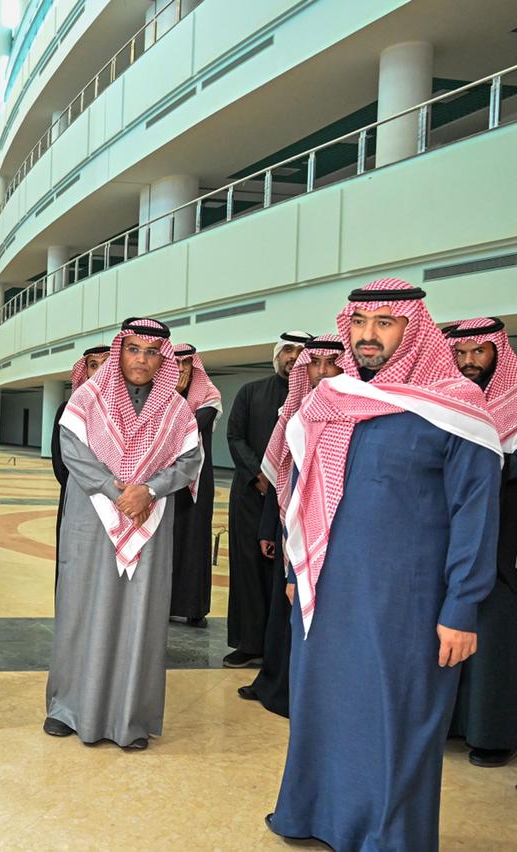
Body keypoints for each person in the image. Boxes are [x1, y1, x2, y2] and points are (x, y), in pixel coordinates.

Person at [267, 280, 500, 850]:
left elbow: (475, 512)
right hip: (325, 593)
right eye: (360, 322)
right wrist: (295, 572)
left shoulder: (455, 407)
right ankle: (314, 815)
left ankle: (389, 836)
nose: (367, 335)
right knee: (324, 710)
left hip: (406, 602)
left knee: (398, 719)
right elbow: (302, 490)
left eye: (384, 322)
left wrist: (462, 607)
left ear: (413, 329)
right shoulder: (331, 398)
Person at [45, 318, 204, 750]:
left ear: (162, 359)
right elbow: (72, 450)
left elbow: (190, 461)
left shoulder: (176, 410)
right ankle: (66, 708)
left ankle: (129, 718)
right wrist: (115, 491)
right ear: (120, 352)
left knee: (140, 615)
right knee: (80, 608)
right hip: (91, 517)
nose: (141, 360)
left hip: (147, 518)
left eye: (151, 353)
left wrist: (149, 490)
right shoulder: (87, 398)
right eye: (134, 349)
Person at [237, 334, 344, 715]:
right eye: (315, 364)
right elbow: (282, 475)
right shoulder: (295, 412)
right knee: (283, 611)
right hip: (290, 525)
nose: (322, 372)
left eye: (332, 363)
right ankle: (275, 683)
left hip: (333, 529)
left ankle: (309, 693)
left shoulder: (356, 410)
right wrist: (270, 528)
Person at [444, 317, 517, 768]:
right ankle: (452, 723)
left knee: (493, 632)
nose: (469, 361)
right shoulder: (447, 400)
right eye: (461, 353)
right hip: (453, 531)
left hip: (503, 538)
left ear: (497, 352)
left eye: (478, 352)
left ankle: (492, 733)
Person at [223, 331, 309, 667]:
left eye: (300, 351)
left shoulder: (316, 397)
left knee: (286, 572)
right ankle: (249, 643)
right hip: (250, 493)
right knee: (248, 568)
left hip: (297, 498)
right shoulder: (251, 391)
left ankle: (283, 647)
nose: (293, 356)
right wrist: (260, 475)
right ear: (277, 355)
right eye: (288, 350)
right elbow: (235, 436)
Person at [168, 344, 221, 628]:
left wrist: (174, 399)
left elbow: (188, 428)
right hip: (166, 480)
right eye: (175, 364)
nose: (180, 369)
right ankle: (163, 603)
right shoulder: (160, 395)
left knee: (195, 540)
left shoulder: (209, 396)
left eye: (186, 364)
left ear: (193, 366)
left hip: (197, 482)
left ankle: (193, 608)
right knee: (166, 541)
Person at [51, 346, 110, 580]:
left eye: (106, 364)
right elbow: (60, 462)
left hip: (117, 501)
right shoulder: (68, 409)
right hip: (78, 496)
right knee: (74, 564)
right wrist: (86, 487)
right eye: (93, 365)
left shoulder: (128, 409)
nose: (100, 371)